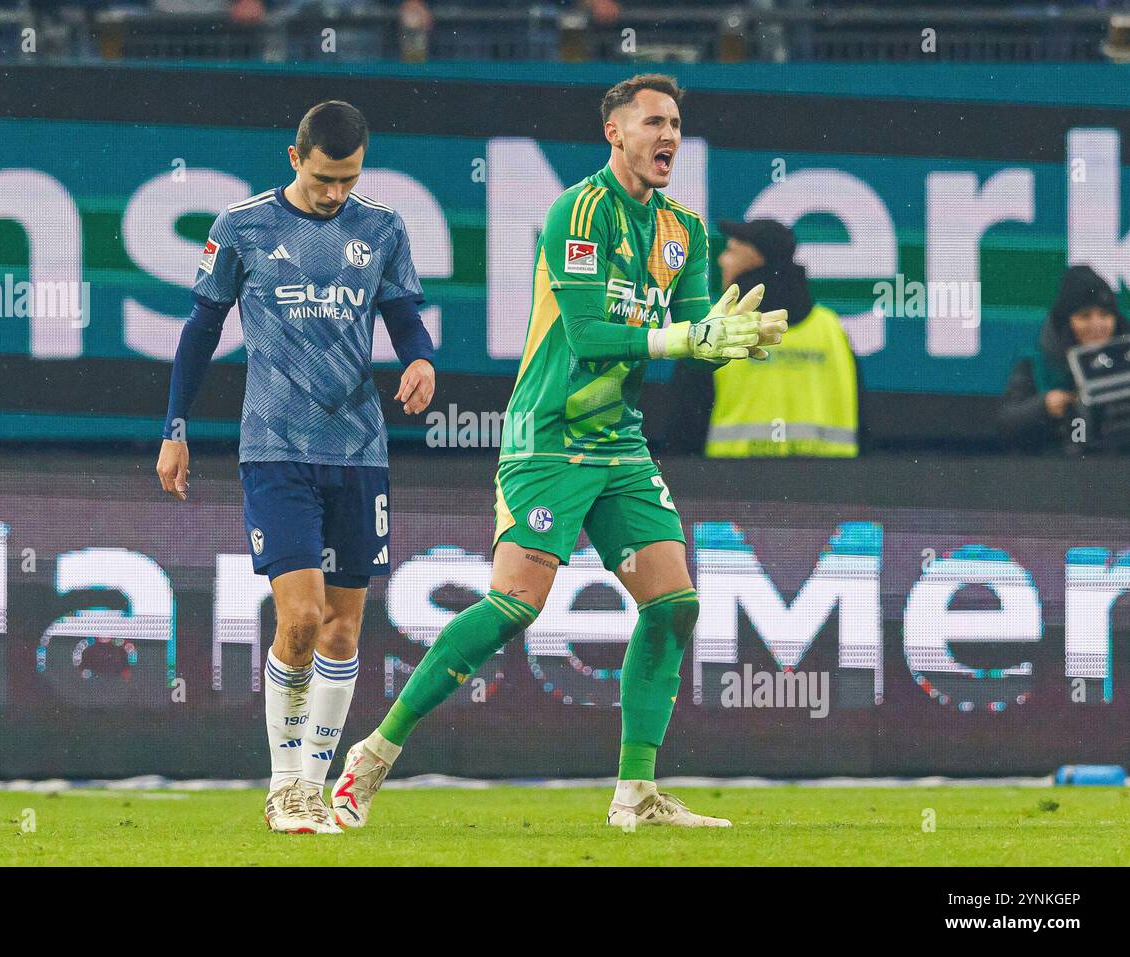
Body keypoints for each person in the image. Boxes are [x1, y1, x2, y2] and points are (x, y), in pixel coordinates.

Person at [332, 74, 786, 831]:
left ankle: (635, 792)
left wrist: (734, 337)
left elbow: (699, 333)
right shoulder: (576, 212)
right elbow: (588, 334)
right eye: (652, 122)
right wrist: (686, 338)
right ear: (614, 133)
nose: (667, 135)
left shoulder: (686, 230)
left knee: (674, 605)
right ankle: (374, 756)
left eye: (675, 123)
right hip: (545, 434)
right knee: (515, 606)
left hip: (619, 442)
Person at [155, 101, 436, 834]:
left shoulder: (383, 228)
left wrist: (420, 360)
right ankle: (284, 785)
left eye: (347, 179)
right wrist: (175, 429)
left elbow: (404, 314)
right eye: (323, 178)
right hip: (276, 450)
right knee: (303, 616)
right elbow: (199, 331)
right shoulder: (242, 226)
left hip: (359, 452)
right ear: (293, 157)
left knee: (344, 632)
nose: (335, 193)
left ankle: (315, 786)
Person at [703, 218, 860, 457]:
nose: (721, 259)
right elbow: (863, 419)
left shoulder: (720, 326)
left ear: (757, 257)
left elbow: (686, 419)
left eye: (732, 250)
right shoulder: (831, 329)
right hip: (829, 484)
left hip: (734, 485)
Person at [999, 264, 1128, 454]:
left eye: (1105, 315)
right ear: (1066, 322)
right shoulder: (1035, 363)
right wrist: (1044, 406)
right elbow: (1006, 424)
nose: (1097, 325)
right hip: (1060, 471)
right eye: (1085, 316)